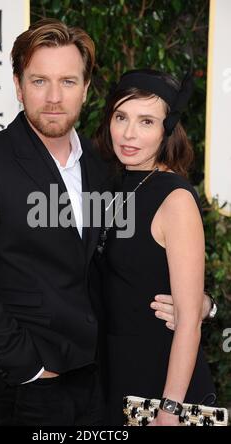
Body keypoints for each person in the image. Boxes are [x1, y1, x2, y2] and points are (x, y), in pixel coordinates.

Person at [0, 19, 213, 426]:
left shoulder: (106, 168)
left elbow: (123, 266)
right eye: (39, 81)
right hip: (32, 388)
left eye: (67, 81)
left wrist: (200, 307)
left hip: (106, 383)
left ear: (86, 90)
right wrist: (30, 365)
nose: (53, 97)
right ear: (18, 85)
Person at [95, 69, 216, 426]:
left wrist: (171, 408)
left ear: (167, 129)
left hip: (160, 385)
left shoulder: (174, 197)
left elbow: (188, 322)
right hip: (113, 375)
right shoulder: (112, 184)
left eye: (146, 121)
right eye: (121, 117)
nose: (129, 133)